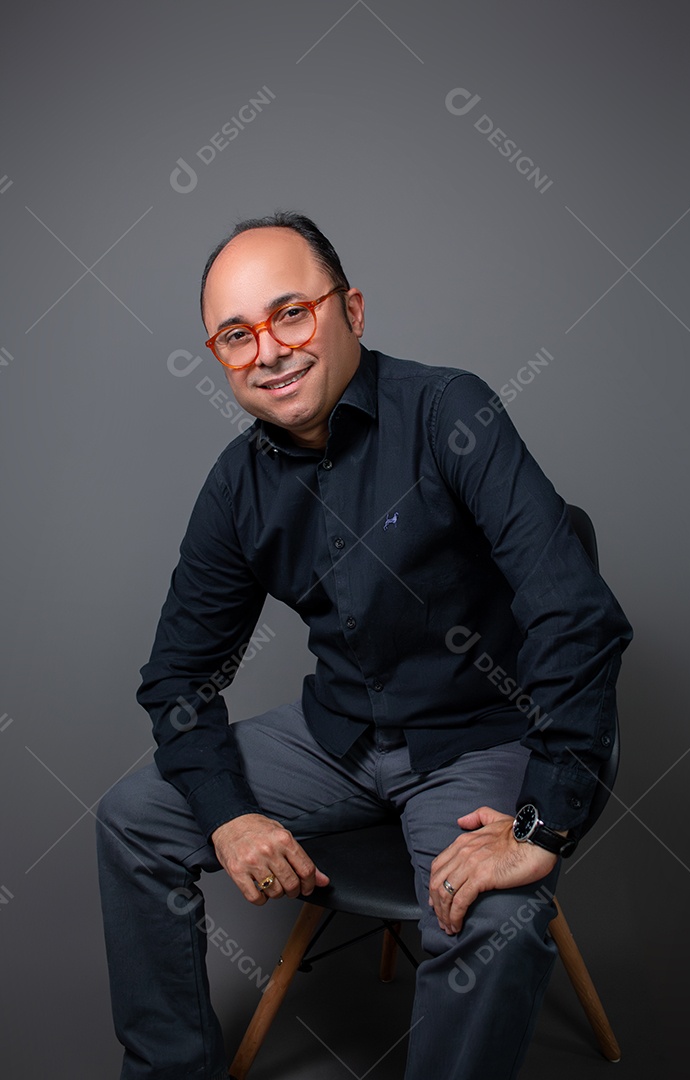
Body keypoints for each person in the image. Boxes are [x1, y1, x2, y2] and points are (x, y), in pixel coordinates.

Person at [96, 211, 632, 1080]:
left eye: (291, 314)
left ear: (350, 309)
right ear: (220, 357)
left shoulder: (449, 410)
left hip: (474, 741)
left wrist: (543, 821)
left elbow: (578, 613)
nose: (269, 352)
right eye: (237, 335)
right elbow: (179, 676)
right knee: (133, 819)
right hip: (335, 743)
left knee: (494, 920)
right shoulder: (238, 485)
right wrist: (229, 816)